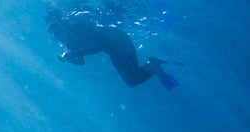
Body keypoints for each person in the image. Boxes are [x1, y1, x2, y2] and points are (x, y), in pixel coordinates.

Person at [46, 9, 179, 89]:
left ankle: (154, 65)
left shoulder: (77, 27)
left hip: (117, 41)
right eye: (54, 37)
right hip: (113, 46)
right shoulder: (68, 45)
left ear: (62, 25)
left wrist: (74, 52)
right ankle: (154, 65)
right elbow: (81, 62)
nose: (57, 38)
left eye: (57, 32)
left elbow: (97, 36)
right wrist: (70, 58)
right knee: (132, 80)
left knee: (132, 79)